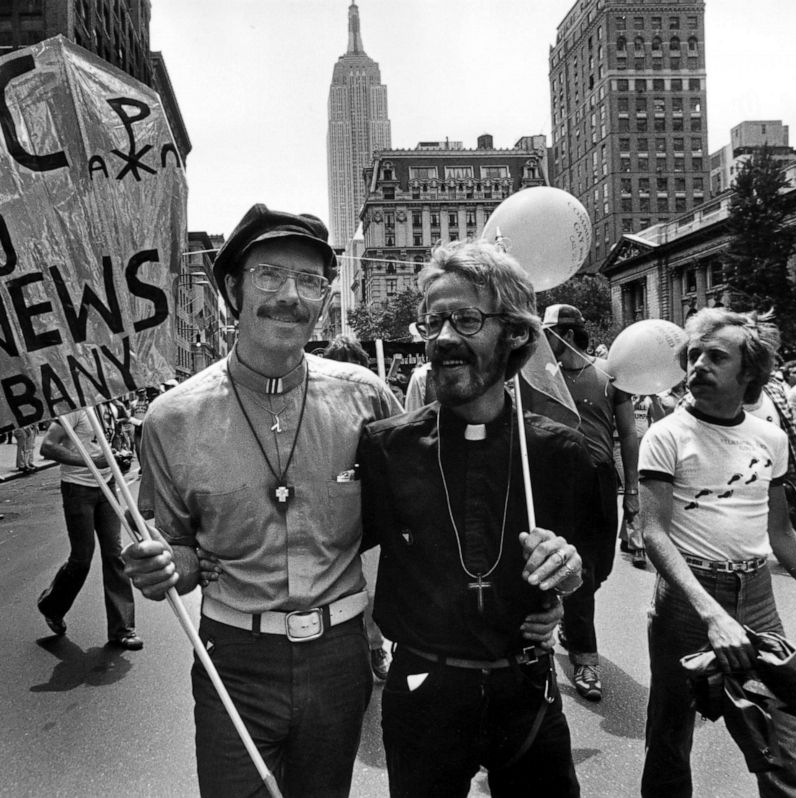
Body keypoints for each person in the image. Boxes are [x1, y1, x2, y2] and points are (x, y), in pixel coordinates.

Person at [123, 207, 564, 797]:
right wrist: (163, 569)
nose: (290, 296)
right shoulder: (170, 420)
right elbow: (178, 551)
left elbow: (442, 521)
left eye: (310, 281)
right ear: (232, 288)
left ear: (326, 299)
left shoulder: (368, 400)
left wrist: (532, 597)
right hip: (233, 660)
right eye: (270, 276)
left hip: (340, 660)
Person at [358, 240, 590, 797]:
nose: (442, 338)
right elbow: (346, 555)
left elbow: (580, 572)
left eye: (465, 319)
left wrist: (565, 582)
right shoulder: (388, 448)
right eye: (433, 321)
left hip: (526, 689)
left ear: (514, 334)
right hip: (422, 690)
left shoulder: (559, 452)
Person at [638, 308, 796, 797]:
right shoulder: (666, 435)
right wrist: (711, 616)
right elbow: (654, 535)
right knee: (670, 736)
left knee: (784, 733)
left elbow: (781, 536)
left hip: (756, 595)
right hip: (688, 600)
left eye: (716, 356)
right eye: (693, 355)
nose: (698, 367)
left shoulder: (770, 438)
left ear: (749, 371)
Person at [528, 303, 639, 702]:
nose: (542, 341)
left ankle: (569, 622)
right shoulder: (537, 377)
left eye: (549, 334)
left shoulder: (610, 376)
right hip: (557, 483)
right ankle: (585, 658)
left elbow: (628, 435)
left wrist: (633, 494)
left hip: (600, 481)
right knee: (580, 571)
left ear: (569, 334)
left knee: (600, 568)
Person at [321, 332, 396, 683]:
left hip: (371, 510)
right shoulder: (314, 405)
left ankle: (375, 646)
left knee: (372, 588)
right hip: (330, 515)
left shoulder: (376, 400)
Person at [37, 408, 143, 650]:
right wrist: (90, 461)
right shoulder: (73, 410)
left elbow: (108, 441)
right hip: (78, 488)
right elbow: (48, 446)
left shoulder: (109, 407)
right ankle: (52, 606)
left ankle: (123, 629)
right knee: (81, 558)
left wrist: (118, 456)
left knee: (115, 555)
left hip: (107, 485)